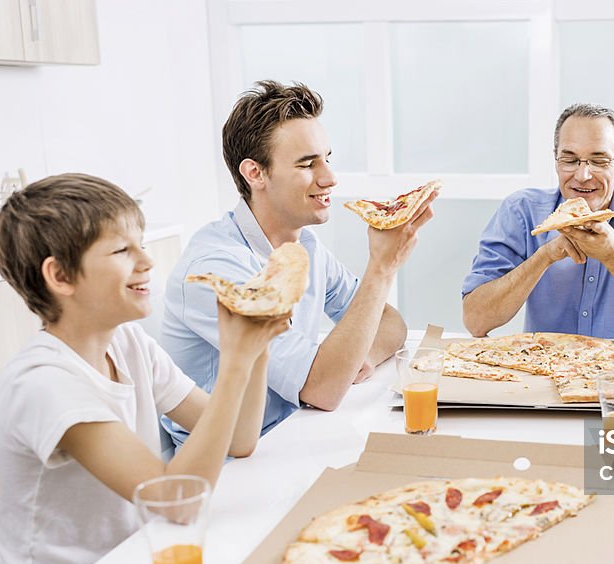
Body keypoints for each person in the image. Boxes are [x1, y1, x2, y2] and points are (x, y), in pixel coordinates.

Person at [0, 174, 288, 564]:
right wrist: (235, 362)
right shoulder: (43, 383)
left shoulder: (128, 344)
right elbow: (176, 501)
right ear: (61, 276)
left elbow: (240, 439)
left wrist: (257, 340)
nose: (147, 260)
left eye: (142, 243)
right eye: (123, 250)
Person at [162, 81, 434, 444]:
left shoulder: (305, 244)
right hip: (229, 465)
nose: (329, 177)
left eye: (327, 158)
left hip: (294, 433)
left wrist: (355, 357)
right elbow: (322, 389)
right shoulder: (215, 271)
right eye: (307, 164)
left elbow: (390, 322)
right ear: (254, 173)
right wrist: (381, 268)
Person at [461, 103, 614, 339]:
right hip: (545, 368)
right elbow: (476, 321)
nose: (582, 176)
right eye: (570, 160)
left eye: (600, 160)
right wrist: (546, 256)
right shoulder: (521, 211)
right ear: (556, 161)